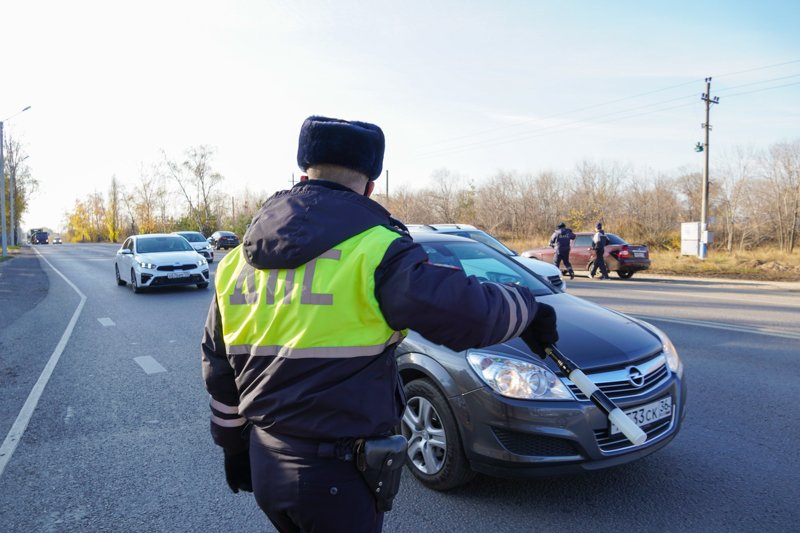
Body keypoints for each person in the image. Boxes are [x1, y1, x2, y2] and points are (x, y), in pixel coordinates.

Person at [201, 115, 559, 533]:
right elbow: (466, 313)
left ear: (302, 178)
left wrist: (233, 446)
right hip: (337, 478)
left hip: (266, 463)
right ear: (371, 186)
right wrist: (527, 308)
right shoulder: (377, 249)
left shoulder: (235, 264)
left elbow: (218, 367)